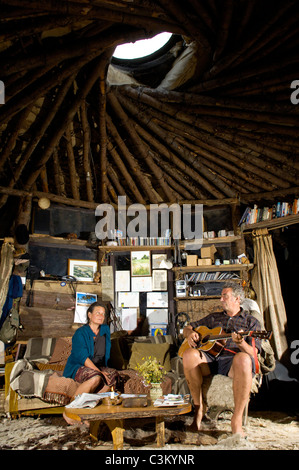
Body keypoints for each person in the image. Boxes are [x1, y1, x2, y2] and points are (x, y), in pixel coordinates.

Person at [182, 281, 261, 436]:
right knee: (189, 355)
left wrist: (241, 343)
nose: (221, 299)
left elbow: (253, 353)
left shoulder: (251, 322)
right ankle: (199, 411)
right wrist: (189, 334)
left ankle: (236, 420)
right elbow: (188, 327)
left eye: (225, 296)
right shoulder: (213, 318)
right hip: (210, 360)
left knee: (244, 358)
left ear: (237, 299)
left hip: (232, 364)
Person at [63, 301, 118, 397]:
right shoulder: (80, 333)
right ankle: (73, 405)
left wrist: (105, 369)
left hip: (98, 366)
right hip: (79, 366)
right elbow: (83, 358)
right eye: (98, 313)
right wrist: (100, 372)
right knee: (96, 377)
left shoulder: (105, 330)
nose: (101, 316)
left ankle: (94, 403)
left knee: (112, 376)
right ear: (89, 314)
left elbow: (106, 354)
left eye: (103, 314)